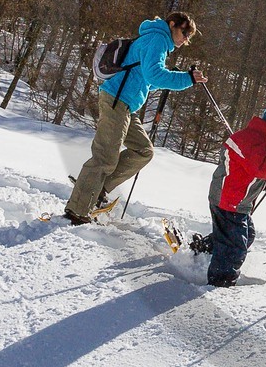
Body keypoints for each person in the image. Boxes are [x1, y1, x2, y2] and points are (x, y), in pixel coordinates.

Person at [65, 12, 206, 224]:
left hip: (126, 105)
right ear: (172, 24)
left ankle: (96, 190)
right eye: (184, 32)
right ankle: (77, 209)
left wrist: (179, 76)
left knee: (144, 151)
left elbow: (149, 80)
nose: (185, 39)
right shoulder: (157, 39)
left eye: (189, 37)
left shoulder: (156, 41)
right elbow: (154, 75)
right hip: (116, 99)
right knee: (105, 157)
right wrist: (186, 78)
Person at [194, 92, 266, 287]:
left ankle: (204, 249)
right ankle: (220, 282)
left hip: (235, 201)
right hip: (229, 199)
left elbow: (256, 169)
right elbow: (259, 168)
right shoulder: (250, 141)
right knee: (235, 245)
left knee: (244, 235)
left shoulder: (260, 142)